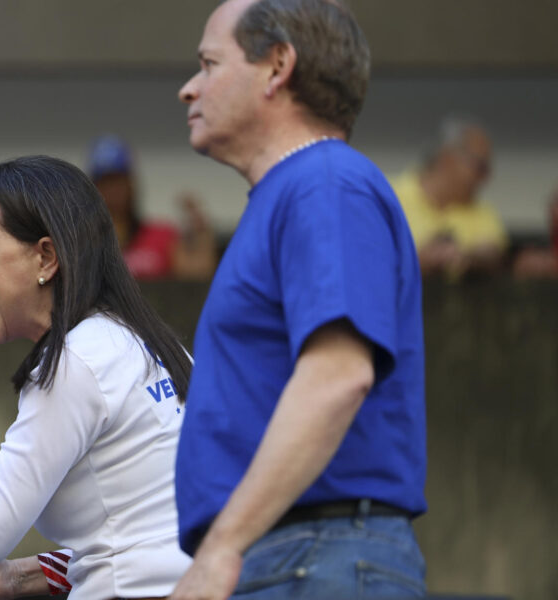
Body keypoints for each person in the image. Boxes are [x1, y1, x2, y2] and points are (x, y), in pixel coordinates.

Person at [171, 1, 426, 599]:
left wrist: (221, 549)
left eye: (209, 64)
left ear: (278, 65)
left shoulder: (324, 182)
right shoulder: (300, 190)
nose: (189, 89)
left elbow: (338, 375)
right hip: (294, 554)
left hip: (314, 556)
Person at [0, 155, 193, 599]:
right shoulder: (150, 343)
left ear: (45, 256)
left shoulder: (75, 362)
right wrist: (22, 575)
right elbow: (147, 533)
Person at [87, 135, 218, 280]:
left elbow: (196, 275)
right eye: (106, 183)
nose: (113, 190)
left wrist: (201, 231)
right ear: (93, 188)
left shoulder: (161, 236)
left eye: (119, 181)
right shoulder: (82, 243)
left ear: (131, 185)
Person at [390, 116, 508, 277]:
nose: (486, 178)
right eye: (480, 166)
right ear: (448, 157)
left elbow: (492, 254)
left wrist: (466, 258)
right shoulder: (389, 196)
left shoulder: (482, 211)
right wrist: (417, 261)